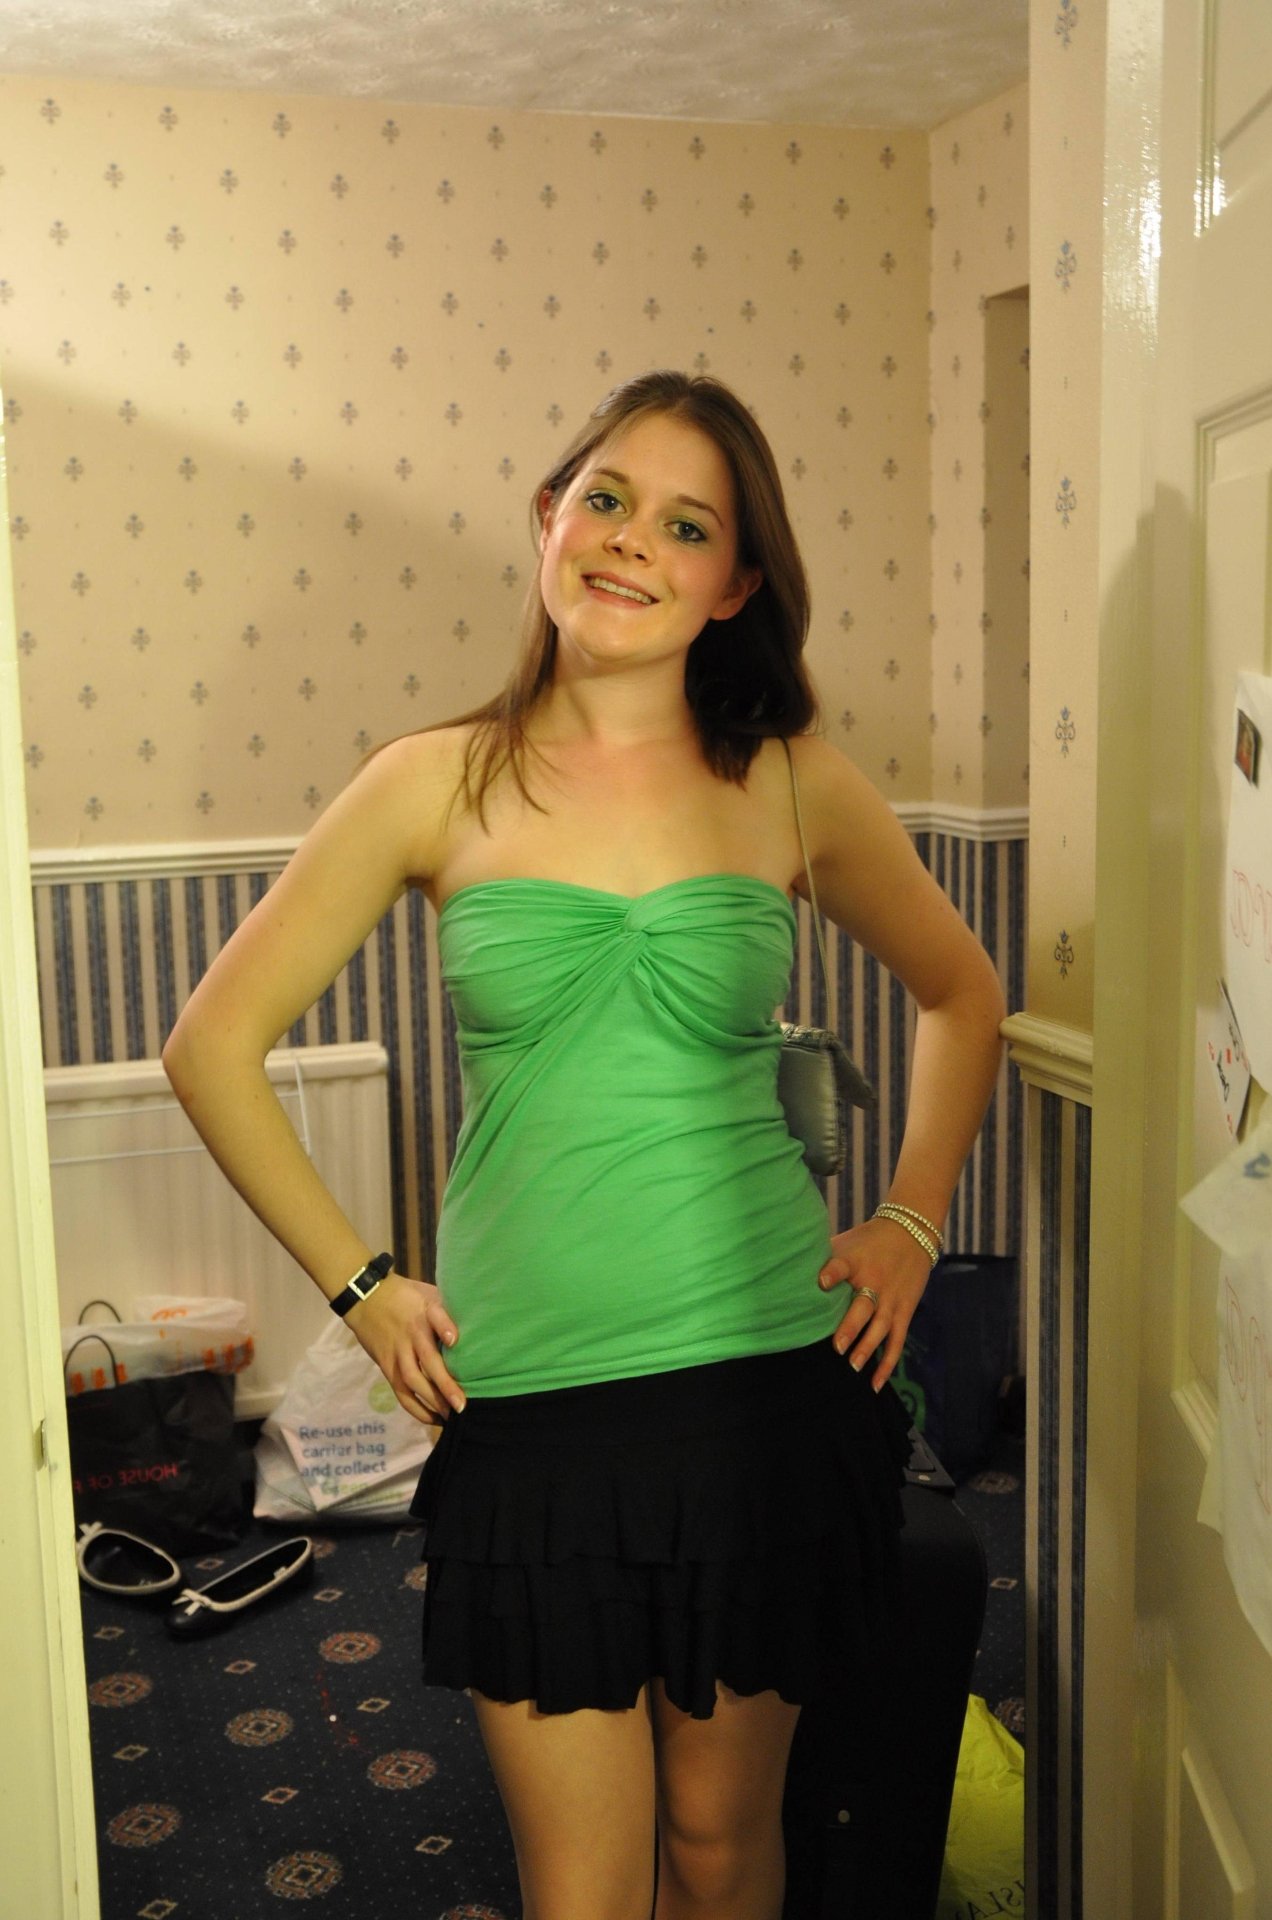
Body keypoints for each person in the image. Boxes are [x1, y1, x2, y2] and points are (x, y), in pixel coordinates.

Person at [163, 368, 1006, 1920]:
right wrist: (361, 1286)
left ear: (733, 584)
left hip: (767, 1385)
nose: (630, 541)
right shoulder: (434, 779)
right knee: (586, 1890)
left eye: (687, 526)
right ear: (550, 516)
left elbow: (963, 992)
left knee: (723, 1850)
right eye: (607, 499)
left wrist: (909, 1215)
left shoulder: (791, 782)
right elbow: (210, 1047)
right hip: (536, 1402)